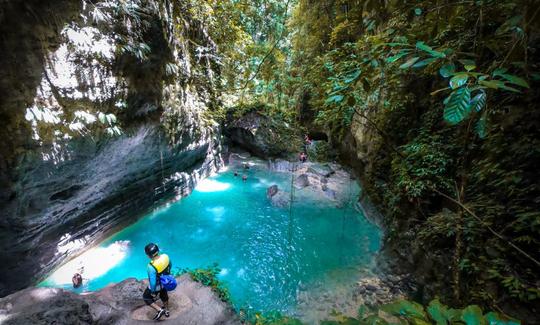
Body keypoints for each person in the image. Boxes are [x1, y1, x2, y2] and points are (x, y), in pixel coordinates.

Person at [143, 243, 172, 320]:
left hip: (157, 286)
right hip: (166, 282)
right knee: (164, 294)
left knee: (146, 297)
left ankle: (160, 310)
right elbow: (170, 265)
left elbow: (153, 282)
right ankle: (167, 311)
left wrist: (153, 292)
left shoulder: (151, 266)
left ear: (149, 255)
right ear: (158, 251)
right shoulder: (166, 256)